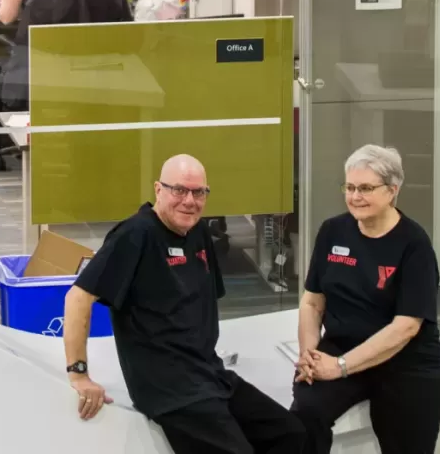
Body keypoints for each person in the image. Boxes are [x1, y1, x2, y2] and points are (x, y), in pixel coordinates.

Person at [62, 154, 305, 454]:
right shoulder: (135, 235)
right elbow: (77, 298)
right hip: (168, 389)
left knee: (293, 435)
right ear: (158, 189)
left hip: (210, 374)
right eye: (179, 190)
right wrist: (79, 374)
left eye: (198, 192)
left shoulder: (198, 232)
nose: (189, 200)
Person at [290, 145, 440, 453]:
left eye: (365, 188)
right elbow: (312, 302)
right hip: (342, 345)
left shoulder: (414, 244)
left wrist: (341, 366)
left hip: (405, 361)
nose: (355, 196)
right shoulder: (332, 231)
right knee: (303, 416)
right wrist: (310, 355)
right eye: (349, 187)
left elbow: (406, 327)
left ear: (392, 191)